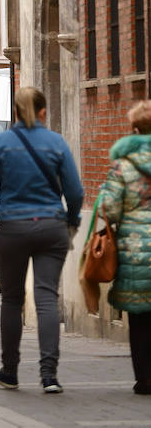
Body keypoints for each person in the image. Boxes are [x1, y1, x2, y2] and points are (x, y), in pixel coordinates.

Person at [0, 85, 83, 394]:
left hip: (13, 227)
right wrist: (71, 221)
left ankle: (9, 371)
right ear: (43, 112)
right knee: (47, 296)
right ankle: (49, 376)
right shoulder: (57, 142)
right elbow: (75, 192)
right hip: (52, 227)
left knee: (11, 299)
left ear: (16, 113)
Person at [96, 98, 151, 395]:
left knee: (140, 318)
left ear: (133, 129)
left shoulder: (123, 166)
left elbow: (111, 210)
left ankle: (144, 378)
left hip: (134, 249)